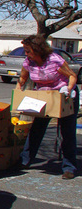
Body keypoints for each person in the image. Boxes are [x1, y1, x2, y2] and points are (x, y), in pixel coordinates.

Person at [16, 34, 79, 179]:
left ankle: (69, 167)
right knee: (37, 128)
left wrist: (68, 89)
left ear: (37, 49)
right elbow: (23, 78)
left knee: (67, 130)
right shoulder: (28, 62)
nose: (26, 54)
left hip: (63, 95)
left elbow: (72, 76)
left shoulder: (55, 60)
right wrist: (19, 88)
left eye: (28, 51)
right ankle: (25, 160)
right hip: (44, 96)